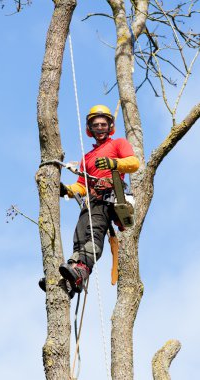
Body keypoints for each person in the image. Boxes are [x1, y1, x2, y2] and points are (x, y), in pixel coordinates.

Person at [58, 104, 140, 294]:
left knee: (94, 232)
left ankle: (82, 270)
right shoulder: (87, 158)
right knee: (79, 235)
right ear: (90, 129)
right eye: (96, 125)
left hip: (108, 198)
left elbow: (134, 163)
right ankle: (71, 278)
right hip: (92, 200)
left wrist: (114, 163)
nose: (100, 128)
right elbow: (81, 185)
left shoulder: (118, 143)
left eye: (104, 124)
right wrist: (66, 190)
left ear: (110, 126)